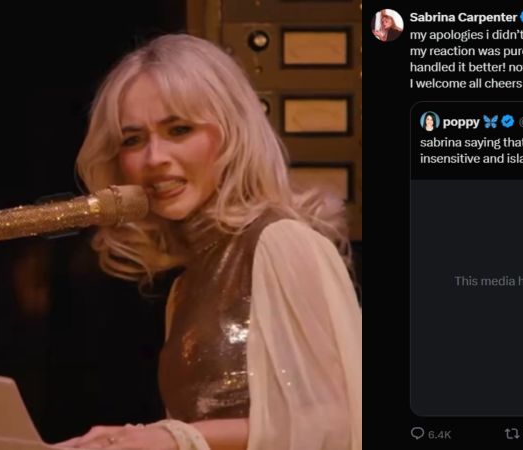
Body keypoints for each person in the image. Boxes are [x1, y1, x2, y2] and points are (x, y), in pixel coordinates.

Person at [55, 33, 362, 450]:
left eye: (179, 129)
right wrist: (126, 438)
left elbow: (332, 423)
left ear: (234, 134)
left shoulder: (281, 242)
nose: (154, 157)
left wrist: (172, 437)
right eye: (133, 140)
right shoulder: (185, 285)